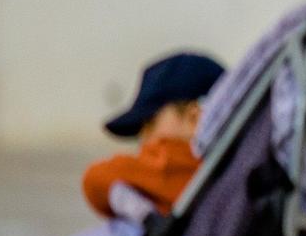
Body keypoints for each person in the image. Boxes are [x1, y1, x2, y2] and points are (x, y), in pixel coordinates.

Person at [81, 52, 225, 223]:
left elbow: (96, 177)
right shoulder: (231, 168)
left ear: (193, 119)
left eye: (150, 123)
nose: (144, 137)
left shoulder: (178, 169)